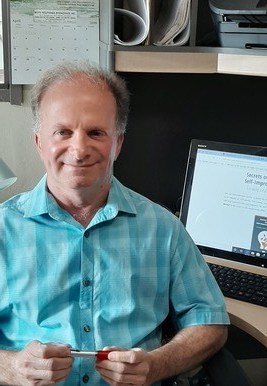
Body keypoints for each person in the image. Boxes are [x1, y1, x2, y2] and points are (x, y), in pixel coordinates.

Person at [0, 62, 229, 385]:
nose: (79, 151)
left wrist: (156, 364)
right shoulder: (3, 229)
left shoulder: (163, 229)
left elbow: (211, 324)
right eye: (63, 132)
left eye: (96, 133)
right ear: (39, 142)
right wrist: (11, 367)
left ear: (118, 143)